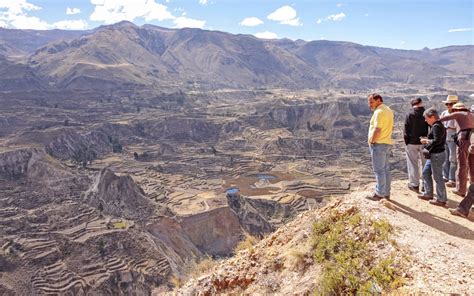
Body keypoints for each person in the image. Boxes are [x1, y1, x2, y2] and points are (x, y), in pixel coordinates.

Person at [439, 102, 474, 196]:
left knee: (462, 164)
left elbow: (443, 119)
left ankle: (461, 189)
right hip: (472, 140)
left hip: (464, 140)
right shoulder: (471, 114)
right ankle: (472, 188)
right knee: (472, 165)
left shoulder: (458, 113)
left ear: (456, 109)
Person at [366, 93, 394, 201]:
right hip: (387, 142)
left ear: (378, 100)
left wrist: (372, 141)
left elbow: (377, 129)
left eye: (371, 102)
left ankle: (379, 194)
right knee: (386, 169)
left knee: (379, 170)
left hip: (379, 144)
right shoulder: (388, 110)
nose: (370, 105)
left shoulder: (379, 112)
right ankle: (386, 193)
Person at [418, 108, 447, 206]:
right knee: (426, 172)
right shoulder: (437, 125)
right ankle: (428, 193)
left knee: (438, 177)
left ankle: (441, 199)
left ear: (432, 117)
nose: (425, 120)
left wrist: (426, 141)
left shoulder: (436, 126)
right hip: (435, 154)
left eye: (426, 118)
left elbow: (437, 141)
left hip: (437, 155)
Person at [403, 97, 429, 193]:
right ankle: (426, 186)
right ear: (420, 103)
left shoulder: (409, 114)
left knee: (412, 163)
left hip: (412, 142)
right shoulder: (426, 113)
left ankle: (414, 184)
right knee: (425, 164)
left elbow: (406, 129)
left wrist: (407, 142)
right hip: (424, 141)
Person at [441, 95, 459, 187]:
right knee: (445, 158)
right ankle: (446, 176)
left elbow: (459, 127)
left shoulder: (458, 115)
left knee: (453, 159)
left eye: (450, 104)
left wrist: (450, 127)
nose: (448, 105)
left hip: (453, 140)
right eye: (447, 104)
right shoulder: (444, 113)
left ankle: (452, 179)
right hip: (445, 138)